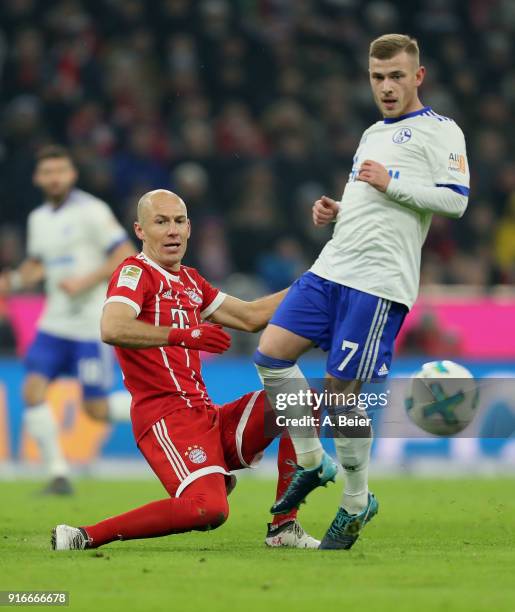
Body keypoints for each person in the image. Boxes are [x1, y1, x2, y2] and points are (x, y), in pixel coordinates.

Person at [254, 34, 470, 549]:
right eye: (378, 77)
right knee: (271, 355)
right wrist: (335, 212)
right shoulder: (372, 132)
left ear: (418, 77)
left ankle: (356, 500)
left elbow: (456, 201)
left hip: (376, 283)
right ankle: (312, 462)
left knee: (340, 398)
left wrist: (391, 182)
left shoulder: (440, 131)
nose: (387, 87)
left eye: (397, 76)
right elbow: (370, 200)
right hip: (332, 266)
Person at [51, 189, 318, 550]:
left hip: (205, 415)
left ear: (190, 227)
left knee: (298, 402)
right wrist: (184, 334)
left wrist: (317, 283)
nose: (172, 231)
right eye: (161, 222)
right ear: (140, 230)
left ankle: (284, 526)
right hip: (165, 418)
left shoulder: (191, 282)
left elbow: (251, 316)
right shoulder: (134, 272)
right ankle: (84, 535)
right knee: (209, 510)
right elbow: (112, 327)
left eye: (178, 221)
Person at [0, 145, 135, 494]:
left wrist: (84, 281)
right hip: (54, 324)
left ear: (72, 174)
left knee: (96, 410)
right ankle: (58, 474)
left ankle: (167, 408)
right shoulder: (38, 219)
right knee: (32, 390)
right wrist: (12, 281)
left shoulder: (92, 210)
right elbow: (37, 265)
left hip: (90, 326)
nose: (54, 177)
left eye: (61, 170)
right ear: (38, 178)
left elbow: (125, 254)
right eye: (48, 172)